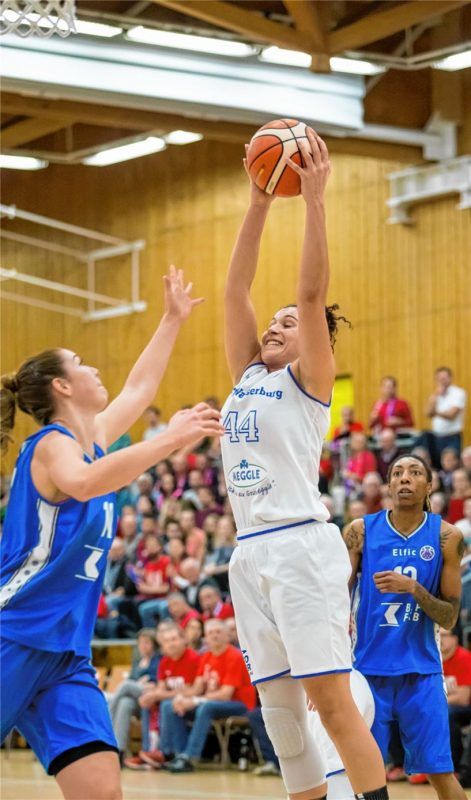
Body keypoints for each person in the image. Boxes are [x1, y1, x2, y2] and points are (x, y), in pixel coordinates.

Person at [0, 266, 224, 800]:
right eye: (81, 364)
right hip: (15, 631)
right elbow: (83, 485)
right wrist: (169, 441)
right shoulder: (53, 445)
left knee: (102, 791)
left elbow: (141, 387)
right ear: (61, 385)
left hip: (65, 652)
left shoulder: (95, 438)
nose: (93, 368)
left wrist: (171, 320)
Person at [221, 128, 387, 800]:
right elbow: (236, 292)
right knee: (283, 721)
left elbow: (312, 295)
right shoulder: (245, 375)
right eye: (276, 320)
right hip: (248, 554)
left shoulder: (308, 380)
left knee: (329, 702)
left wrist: (313, 200)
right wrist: (259, 200)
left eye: (288, 323)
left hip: (298, 546)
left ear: (311, 343)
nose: (276, 324)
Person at [344, 454, 466, 800]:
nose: (404, 479)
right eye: (397, 473)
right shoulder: (360, 531)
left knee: (440, 774)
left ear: (429, 485)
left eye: (414, 473)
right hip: (368, 671)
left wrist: (413, 588)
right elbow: (335, 600)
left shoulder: (447, 536)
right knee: (364, 776)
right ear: (388, 485)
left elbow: (449, 617)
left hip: (421, 672)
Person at [159, 618, 257, 773]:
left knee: (206, 707)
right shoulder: (206, 657)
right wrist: (182, 699)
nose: (214, 636)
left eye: (218, 632)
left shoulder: (235, 656)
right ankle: (179, 754)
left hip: (240, 704)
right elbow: (197, 688)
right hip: (212, 702)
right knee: (169, 705)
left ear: (227, 636)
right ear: (205, 637)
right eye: (210, 633)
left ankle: (191, 757)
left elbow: (226, 694)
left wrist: (195, 701)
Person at [125, 623, 201, 770]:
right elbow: (160, 688)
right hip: (175, 701)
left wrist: (161, 694)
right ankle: (148, 751)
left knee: (166, 704)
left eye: (174, 639)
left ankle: (167, 753)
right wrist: (152, 696)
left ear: (183, 640)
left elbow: (194, 691)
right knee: (149, 702)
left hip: (194, 703)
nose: (171, 644)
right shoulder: (165, 661)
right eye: (167, 641)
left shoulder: (193, 658)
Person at [440, 628, 471, 785]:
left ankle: (455, 767)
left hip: (465, 709)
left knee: (447, 713)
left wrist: (438, 701)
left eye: (445, 635)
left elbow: (464, 698)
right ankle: (404, 765)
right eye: (438, 635)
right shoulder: (434, 659)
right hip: (449, 705)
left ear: (455, 639)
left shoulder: (464, 657)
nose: (441, 639)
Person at [425, 367, 467, 468]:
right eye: (439, 378)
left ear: (450, 378)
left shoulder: (458, 393)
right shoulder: (436, 394)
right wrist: (435, 396)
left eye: (444, 378)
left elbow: (452, 415)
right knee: (437, 465)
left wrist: (436, 412)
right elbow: (427, 413)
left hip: (452, 436)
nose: (442, 381)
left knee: (452, 465)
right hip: (437, 436)